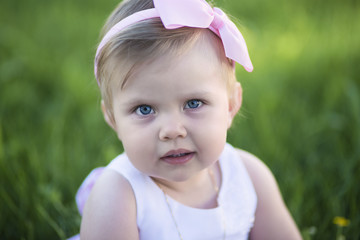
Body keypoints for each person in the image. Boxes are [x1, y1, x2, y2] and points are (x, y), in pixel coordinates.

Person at [72, 0, 302, 239]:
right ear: (113, 119)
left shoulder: (249, 177)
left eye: (193, 103)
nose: (172, 131)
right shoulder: (118, 195)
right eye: (144, 109)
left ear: (231, 105)